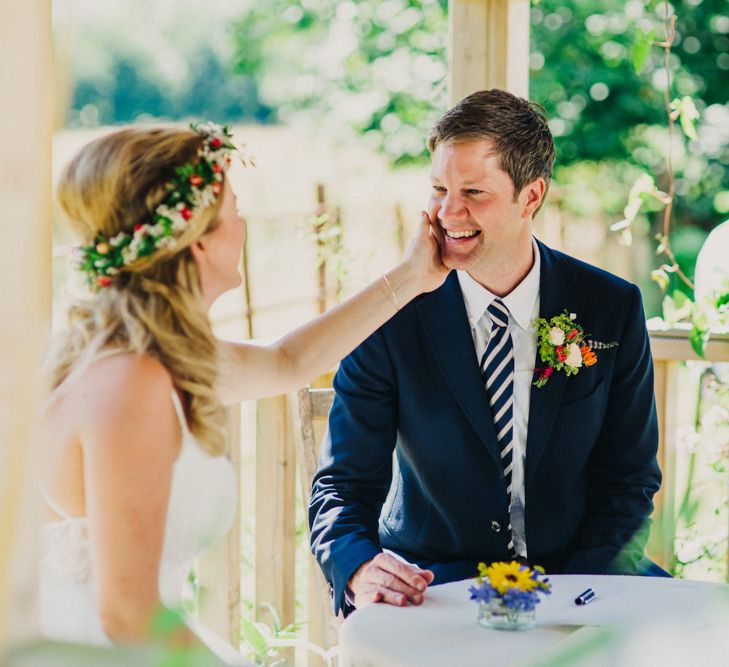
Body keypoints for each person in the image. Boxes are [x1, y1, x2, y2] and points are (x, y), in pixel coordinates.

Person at [38, 122, 448, 662]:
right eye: (234, 207)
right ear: (200, 238)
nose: (245, 222)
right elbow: (128, 615)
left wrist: (414, 274)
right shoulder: (131, 380)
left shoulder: (162, 354)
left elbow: (289, 361)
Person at [309, 89, 664, 617]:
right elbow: (342, 484)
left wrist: (576, 597)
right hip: (433, 583)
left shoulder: (610, 308)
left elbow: (628, 481)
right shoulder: (387, 313)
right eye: (438, 189)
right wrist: (359, 565)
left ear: (531, 196)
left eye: (473, 192)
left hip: (582, 573)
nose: (449, 212)